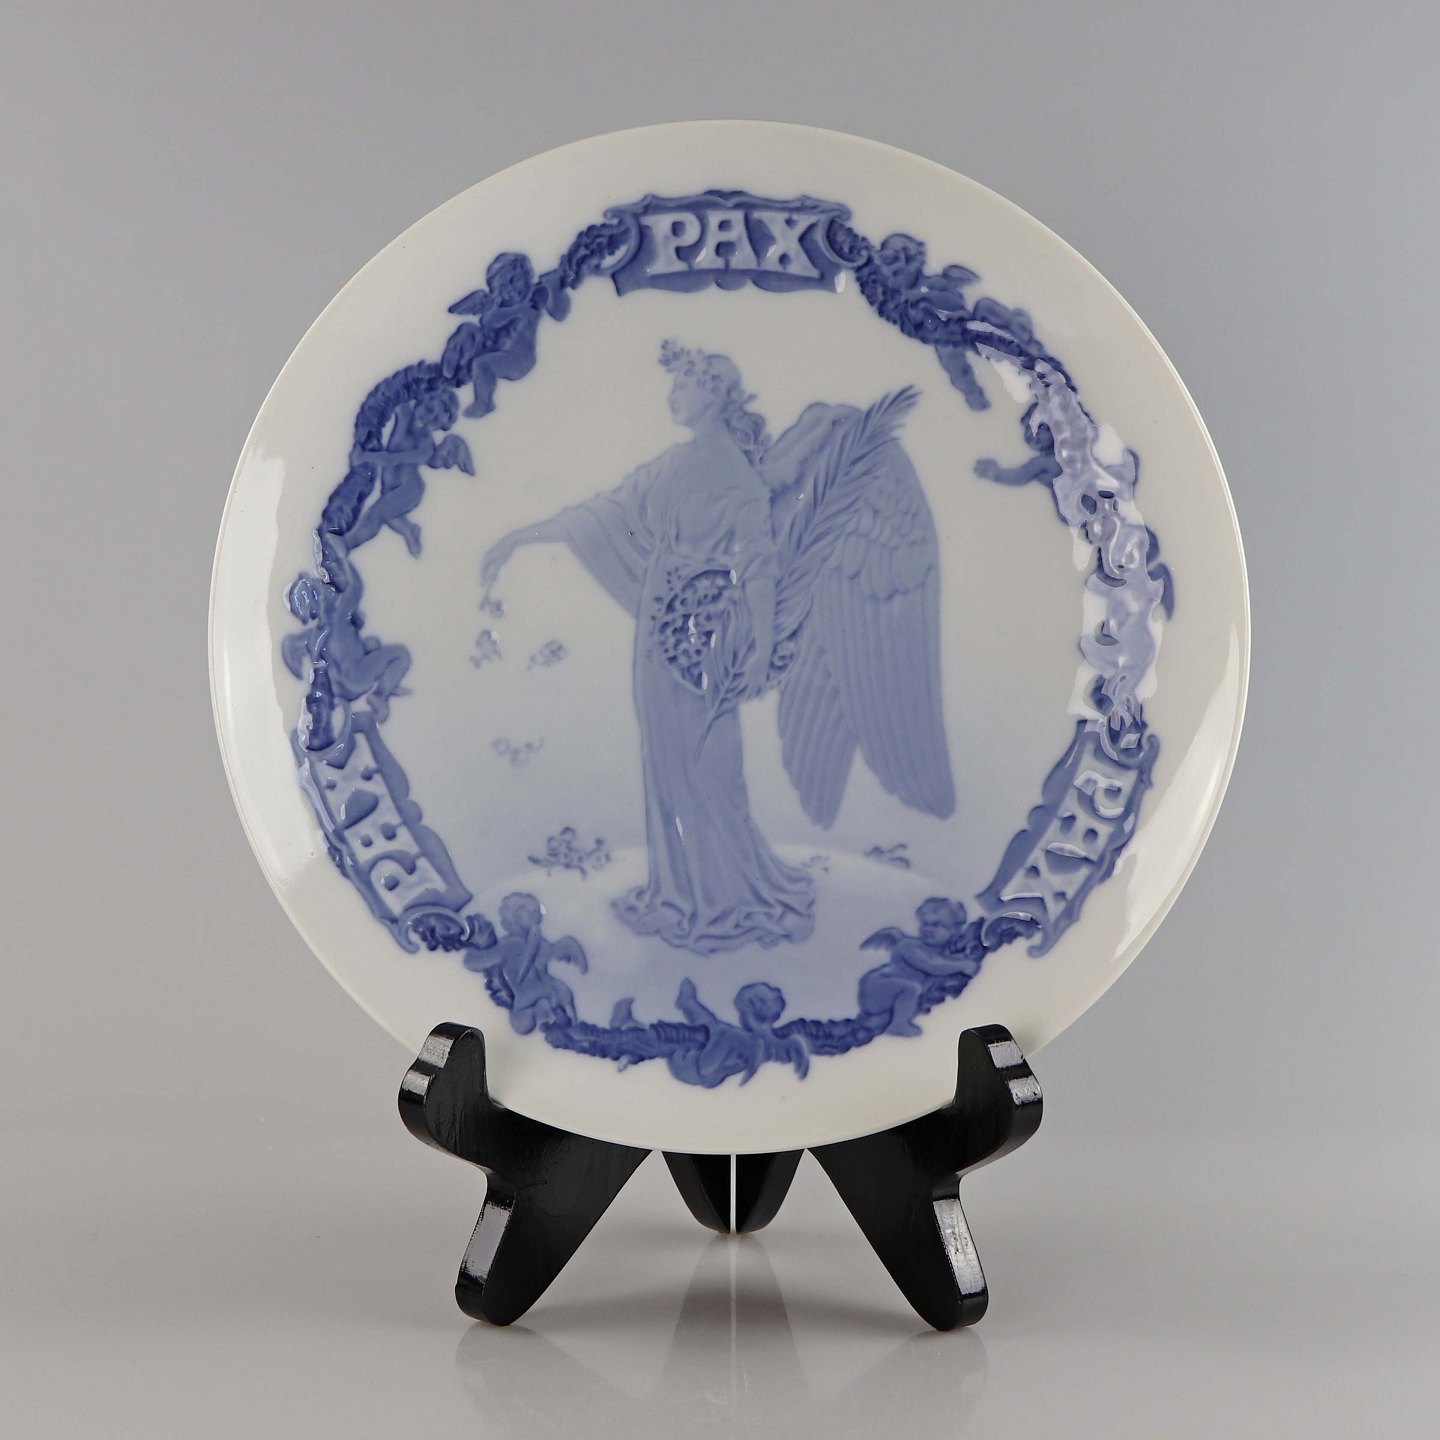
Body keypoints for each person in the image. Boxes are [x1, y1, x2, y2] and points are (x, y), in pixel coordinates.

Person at [480, 343, 815, 955]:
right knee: (666, 758)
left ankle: (727, 894)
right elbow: (600, 513)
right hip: (660, 630)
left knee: (708, 763)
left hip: (703, 634)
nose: (672, 396)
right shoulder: (673, 464)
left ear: (713, 395)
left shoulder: (738, 479)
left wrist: (762, 648)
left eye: (683, 387)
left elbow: (759, 568)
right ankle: (681, 889)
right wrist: (521, 537)